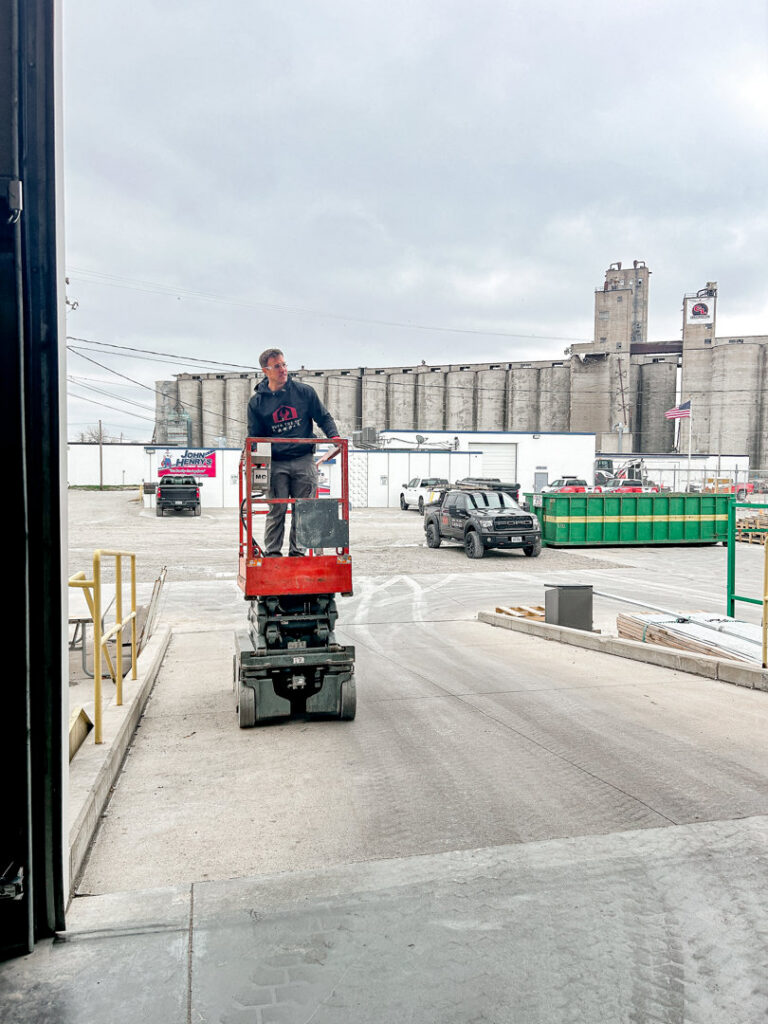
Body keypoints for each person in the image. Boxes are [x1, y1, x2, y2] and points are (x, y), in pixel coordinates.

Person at [247, 348, 340, 556]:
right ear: (265, 370)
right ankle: (272, 555)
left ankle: (298, 554)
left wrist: (334, 437)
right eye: (277, 366)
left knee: (303, 509)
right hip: (276, 462)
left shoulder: (304, 392)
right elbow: (255, 436)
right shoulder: (257, 403)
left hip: (303, 459)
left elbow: (323, 417)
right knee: (276, 509)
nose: (283, 369)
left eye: (284, 364)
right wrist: (255, 462)